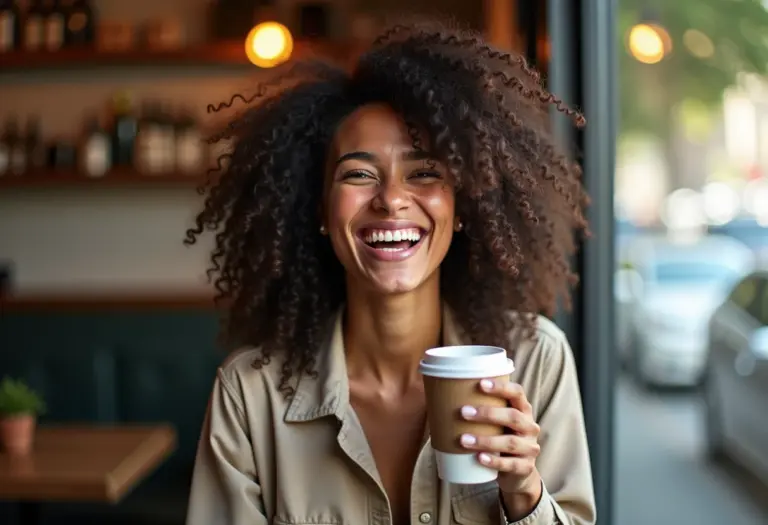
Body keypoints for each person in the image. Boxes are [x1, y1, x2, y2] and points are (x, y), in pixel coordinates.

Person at [184, 19, 595, 525]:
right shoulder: (250, 395)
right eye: (358, 174)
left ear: (464, 205)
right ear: (317, 209)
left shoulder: (535, 362)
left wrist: (526, 493)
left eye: (424, 173)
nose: (392, 199)